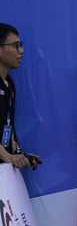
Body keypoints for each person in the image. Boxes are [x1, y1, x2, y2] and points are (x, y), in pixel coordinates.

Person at [0, 24, 40, 169]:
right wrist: (8, 157)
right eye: (16, 46)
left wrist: (20, 155)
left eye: (21, 45)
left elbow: (8, 127)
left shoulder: (10, 84)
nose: (21, 51)